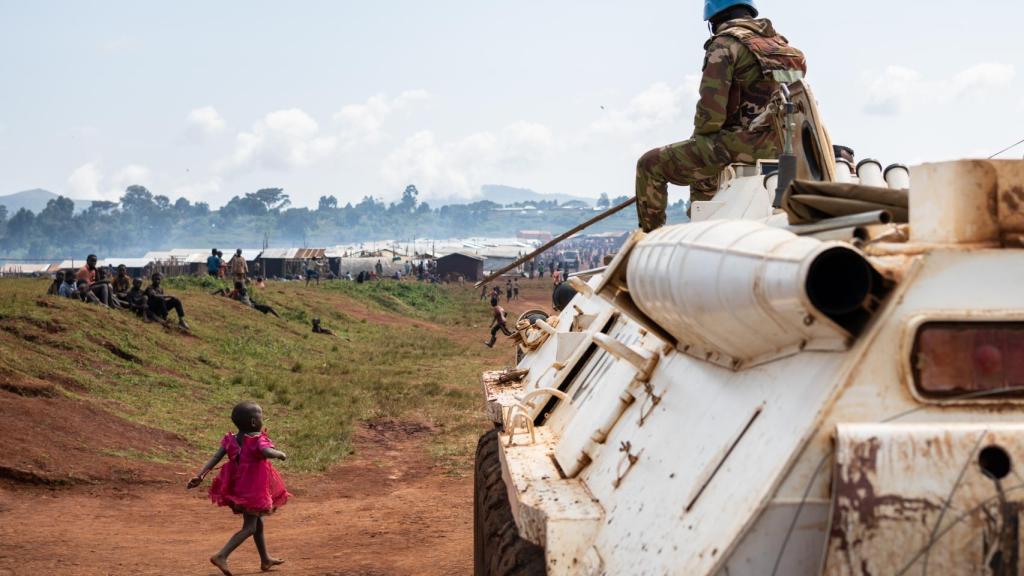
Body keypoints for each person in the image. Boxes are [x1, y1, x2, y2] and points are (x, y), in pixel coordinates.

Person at [634, 0, 806, 232]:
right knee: (704, 162)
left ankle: (649, 240)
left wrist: (699, 140)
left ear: (713, 20)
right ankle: (706, 227)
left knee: (649, 164)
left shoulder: (725, 45)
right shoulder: (784, 47)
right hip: (790, 146)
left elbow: (710, 115)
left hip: (746, 144)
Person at [187, 401, 289, 576]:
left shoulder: (231, 439)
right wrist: (279, 454)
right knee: (250, 527)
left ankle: (265, 559)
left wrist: (201, 475)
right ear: (253, 422)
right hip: (254, 491)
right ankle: (222, 555)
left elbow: (216, 456)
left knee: (258, 522)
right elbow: (266, 451)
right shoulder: (258, 439)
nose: (262, 419)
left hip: (239, 487)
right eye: (260, 416)